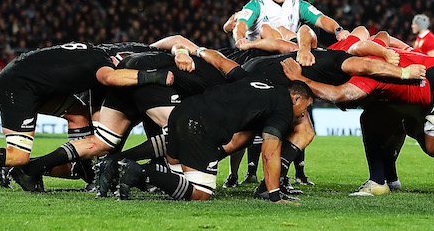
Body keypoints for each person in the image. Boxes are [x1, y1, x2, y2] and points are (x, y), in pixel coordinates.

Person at [0, 42, 174, 193]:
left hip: (29, 79)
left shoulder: (92, 51)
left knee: (77, 114)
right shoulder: (102, 64)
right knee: (17, 155)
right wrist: (155, 77)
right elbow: (111, 78)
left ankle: (87, 179)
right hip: (18, 86)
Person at [117, 79, 314, 203]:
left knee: (179, 182)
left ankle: (118, 162)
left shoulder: (262, 86)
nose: (303, 115)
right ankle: (141, 172)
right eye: (305, 108)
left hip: (183, 111)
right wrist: (274, 195)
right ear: (296, 98)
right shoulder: (283, 107)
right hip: (200, 126)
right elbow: (269, 153)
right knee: (201, 193)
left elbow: (241, 137)